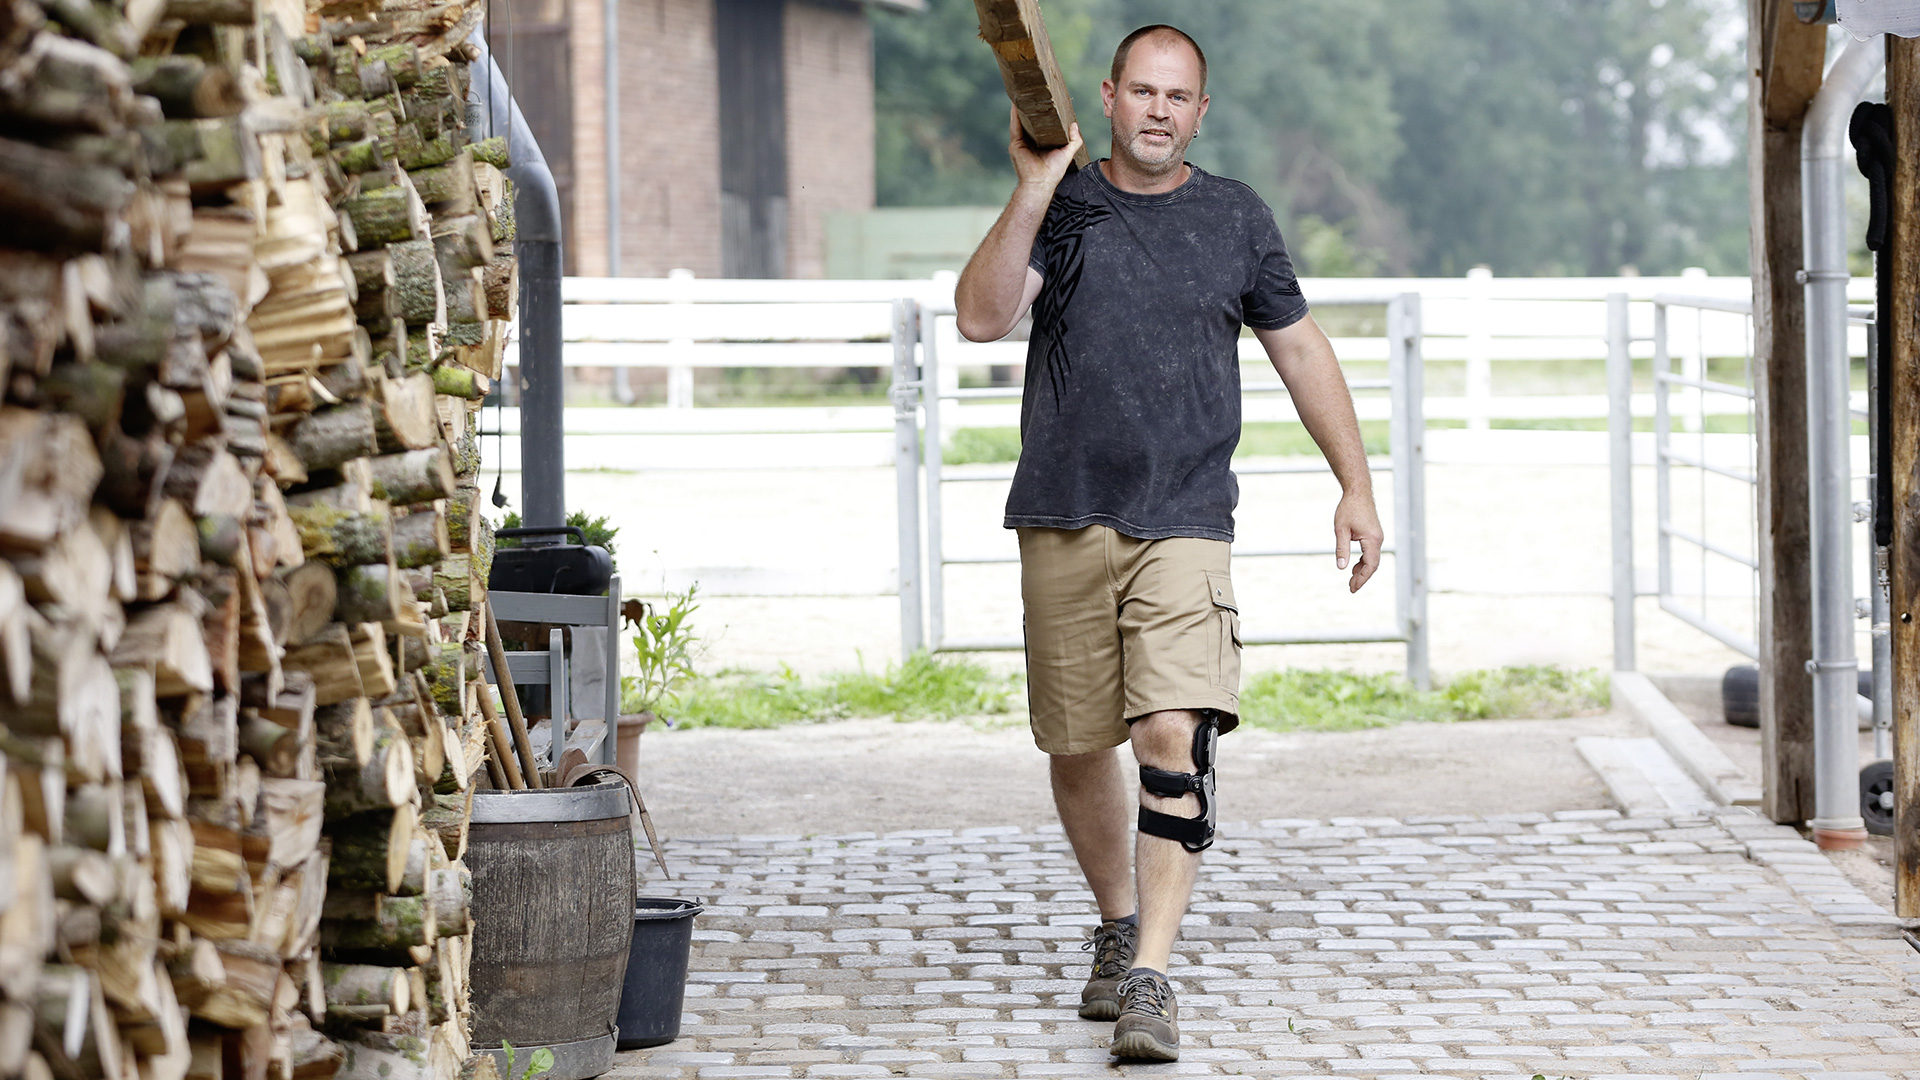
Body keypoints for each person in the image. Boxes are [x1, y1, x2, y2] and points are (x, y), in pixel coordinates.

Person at [952, 24, 1384, 1063]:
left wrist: (1356, 485)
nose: (1157, 109)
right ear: (1107, 97)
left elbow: (1300, 349)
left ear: (1201, 112)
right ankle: (1113, 920)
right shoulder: (1065, 207)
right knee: (1075, 741)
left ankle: (1149, 972)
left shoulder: (1236, 216)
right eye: (1140, 91)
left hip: (1186, 519)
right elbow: (979, 317)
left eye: (1176, 96)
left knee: (1169, 740)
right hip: (1062, 509)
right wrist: (1033, 183)